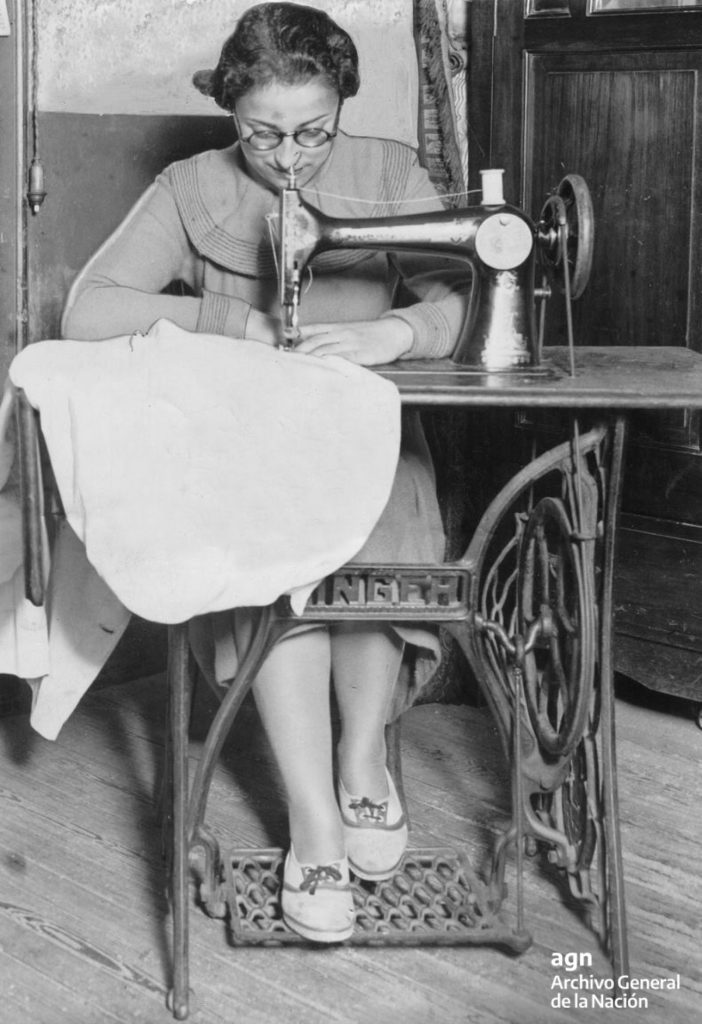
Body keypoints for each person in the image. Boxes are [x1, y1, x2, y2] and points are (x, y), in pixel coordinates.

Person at [61, 2, 469, 943]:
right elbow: (90, 307)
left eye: (313, 132)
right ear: (231, 112)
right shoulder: (191, 186)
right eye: (263, 134)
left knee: (379, 534)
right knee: (276, 566)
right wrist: (235, 323)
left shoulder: (389, 175)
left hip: (371, 435)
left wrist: (393, 331)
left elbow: (462, 296)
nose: (290, 158)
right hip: (247, 451)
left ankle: (361, 759)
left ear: (343, 104)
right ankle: (315, 821)